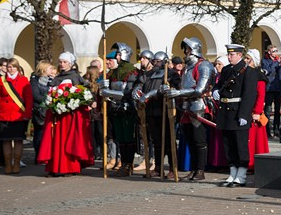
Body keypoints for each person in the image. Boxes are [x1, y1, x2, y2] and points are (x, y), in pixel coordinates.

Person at [165, 37, 216, 181]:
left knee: (199, 140)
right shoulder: (188, 68)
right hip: (186, 107)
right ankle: (194, 170)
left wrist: (178, 93)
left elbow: (200, 89)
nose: (185, 52)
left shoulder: (204, 65)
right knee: (190, 141)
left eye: (187, 49)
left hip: (198, 105)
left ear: (194, 50)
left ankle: (200, 170)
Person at [36, 52, 94, 176]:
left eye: (64, 62)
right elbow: (51, 92)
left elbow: (83, 93)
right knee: (56, 141)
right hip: (57, 115)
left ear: (71, 63)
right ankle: (55, 167)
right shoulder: (56, 78)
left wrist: (80, 101)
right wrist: (52, 102)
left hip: (70, 116)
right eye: (60, 62)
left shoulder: (75, 77)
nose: (62, 64)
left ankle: (69, 167)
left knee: (69, 140)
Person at [214, 44, 259, 187]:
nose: (229, 57)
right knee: (228, 145)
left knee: (240, 145)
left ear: (240, 55)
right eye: (228, 54)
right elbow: (220, 85)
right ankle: (232, 173)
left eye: (232, 55)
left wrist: (244, 114)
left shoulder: (249, 72)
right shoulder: (226, 70)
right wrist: (216, 90)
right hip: (225, 111)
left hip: (238, 111)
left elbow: (249, 95)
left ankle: (241, 175)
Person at [133, 51, 178, 180]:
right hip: (151, 111)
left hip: (165, 110)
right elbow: (139, 84)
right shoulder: (149, 74)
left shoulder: (171, 74)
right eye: (154, 61)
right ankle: (158, 167)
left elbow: (175, 88)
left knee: (169, 141)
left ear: (164, 62)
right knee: (156, 141)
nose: (155, 63)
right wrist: (137, 92)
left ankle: (172, 168)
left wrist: (164, 90)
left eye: (157, 61)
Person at [99, 43, 140, 175]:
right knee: (120, 139)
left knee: (128, 138)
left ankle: (128, 164)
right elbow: (108, 88)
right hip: (115, 108)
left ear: (123, 54)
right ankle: (123, 163)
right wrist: (103, 86)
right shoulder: (113, 72)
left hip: (127, 108)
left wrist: (108, 92)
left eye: (118, 53)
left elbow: (127, 93)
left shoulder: (131, 71)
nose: (116, 56)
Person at [0, 58, 33, 174]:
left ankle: (16, 163)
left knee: (18, 141)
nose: (11, 69)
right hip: (4, 115)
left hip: (19, 115)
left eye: (13, 67)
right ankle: (8, 164)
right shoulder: (1, 80)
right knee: (6, 141)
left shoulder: (24, 80)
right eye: (9, 67)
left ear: (17, 68)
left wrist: (27, 114)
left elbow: (28, 98)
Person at [245, 49, 270, 174]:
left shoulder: (259, 75)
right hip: (247, 110)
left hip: (255, 112)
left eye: (248, 58)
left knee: (256, 140)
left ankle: (255, 163)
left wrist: (257, 111)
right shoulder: (246, 73)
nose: (245, 60)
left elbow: (261, 95)